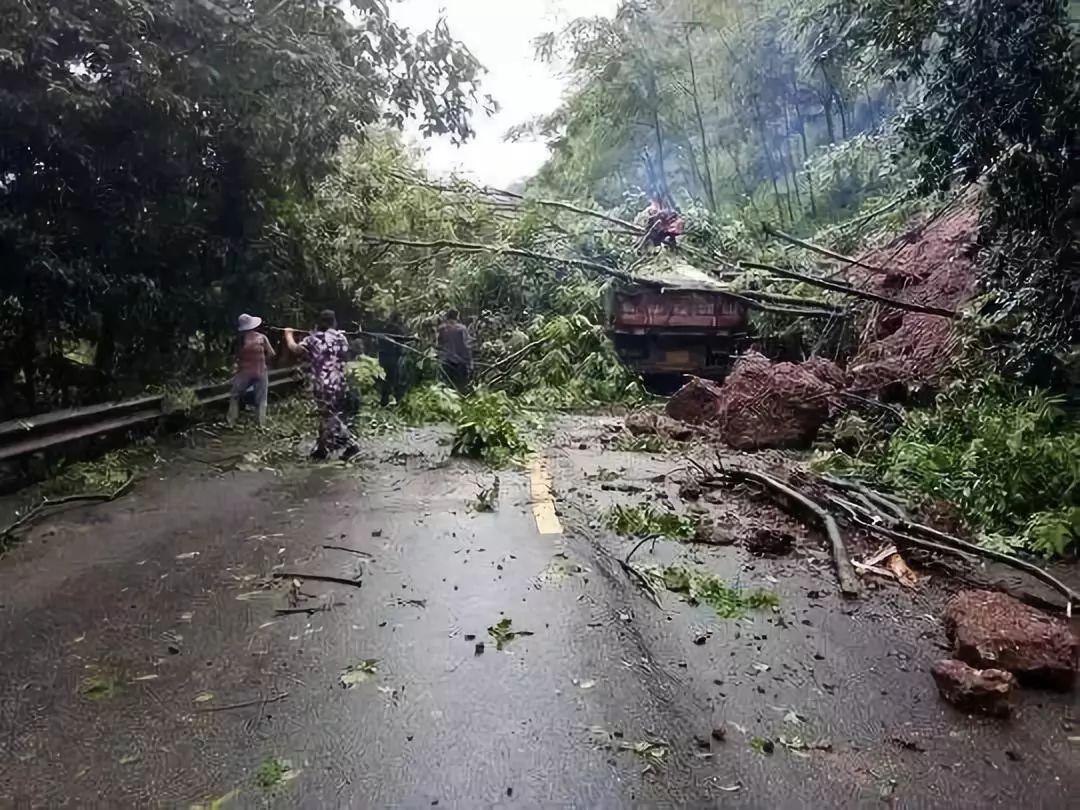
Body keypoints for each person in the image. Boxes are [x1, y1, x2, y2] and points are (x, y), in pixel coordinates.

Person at [284, 309, 360, 461]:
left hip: (323, 384)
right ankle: (322, 448)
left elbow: (295, 349)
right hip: (339, 382)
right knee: (327, 415)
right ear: (334, 322)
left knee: (329, 416)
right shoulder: (342, 338)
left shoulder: (313, 339)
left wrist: (288, 334)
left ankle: (352, 444)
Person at [228, 313, 276, 426]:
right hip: (260, 371)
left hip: (244, 373)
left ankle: (231, 421)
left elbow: (233, 358)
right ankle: (260, 425)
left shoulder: (238, 341)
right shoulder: (262, 338)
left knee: (234, 396)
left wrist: (237, 366)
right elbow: (272, 353)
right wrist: (263, 361)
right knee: (262, 399)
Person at [378, 312, 409, 407]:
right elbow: (402, 342)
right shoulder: (397, 329)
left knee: (386, 379)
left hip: (383, 357)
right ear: (397, 318)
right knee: (396, 379)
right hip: (393, 357)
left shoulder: (385, 328)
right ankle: (398, 400)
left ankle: (384, 399)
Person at [437, 309, 472, 393]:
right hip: (460, 362)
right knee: (460, 387)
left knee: (448, 387)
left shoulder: (442, 328)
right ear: (457, 316)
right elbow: (466, 346)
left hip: (446, 361)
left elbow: (439, 344)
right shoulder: (462, 329)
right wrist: (470, 363)